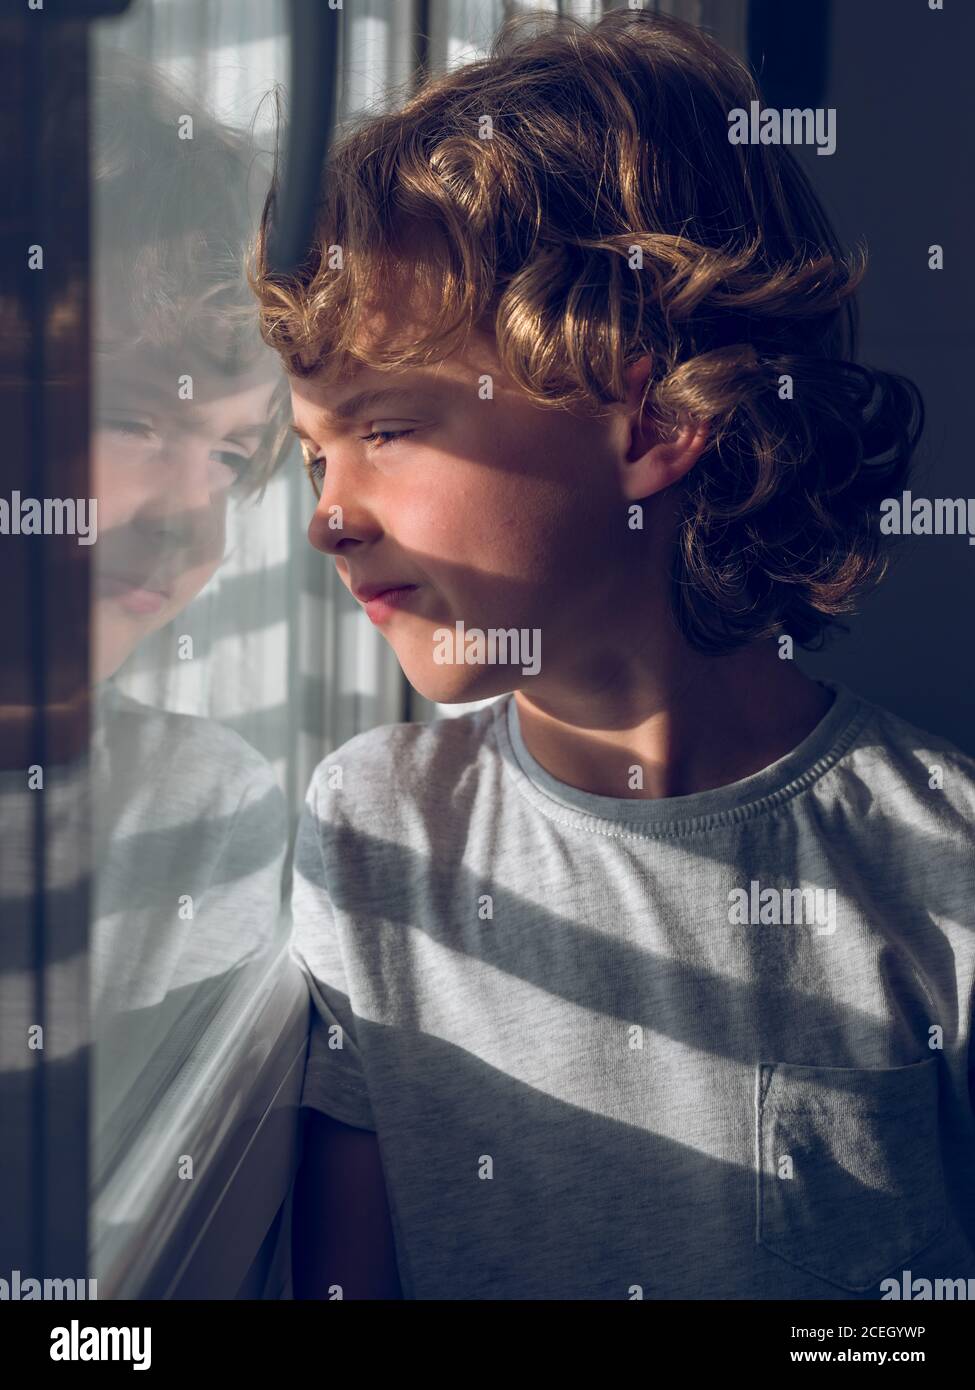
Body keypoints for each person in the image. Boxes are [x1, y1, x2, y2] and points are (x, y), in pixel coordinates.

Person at [251, 9, 975, 1299]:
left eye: (389, 430)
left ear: (651, 418)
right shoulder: (374, 833)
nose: (327, 515)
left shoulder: (941, 873)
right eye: (314, 452)